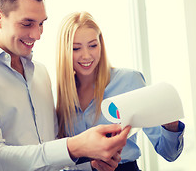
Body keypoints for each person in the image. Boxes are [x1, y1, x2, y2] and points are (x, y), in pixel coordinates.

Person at [0, 0, 131, 171]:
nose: (37, 34)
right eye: (27, 24)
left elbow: (51, 155)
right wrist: (75, 146)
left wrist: (91, 163)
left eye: (41, 23)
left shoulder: (41, 73)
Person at [56, 11, 185, 171]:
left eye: (93, 45)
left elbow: (169, 153)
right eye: (76, 48)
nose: (86, 55)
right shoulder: (58, 96)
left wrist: (170, 126)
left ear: (101, 44)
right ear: (65, 51)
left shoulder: (129, 80)